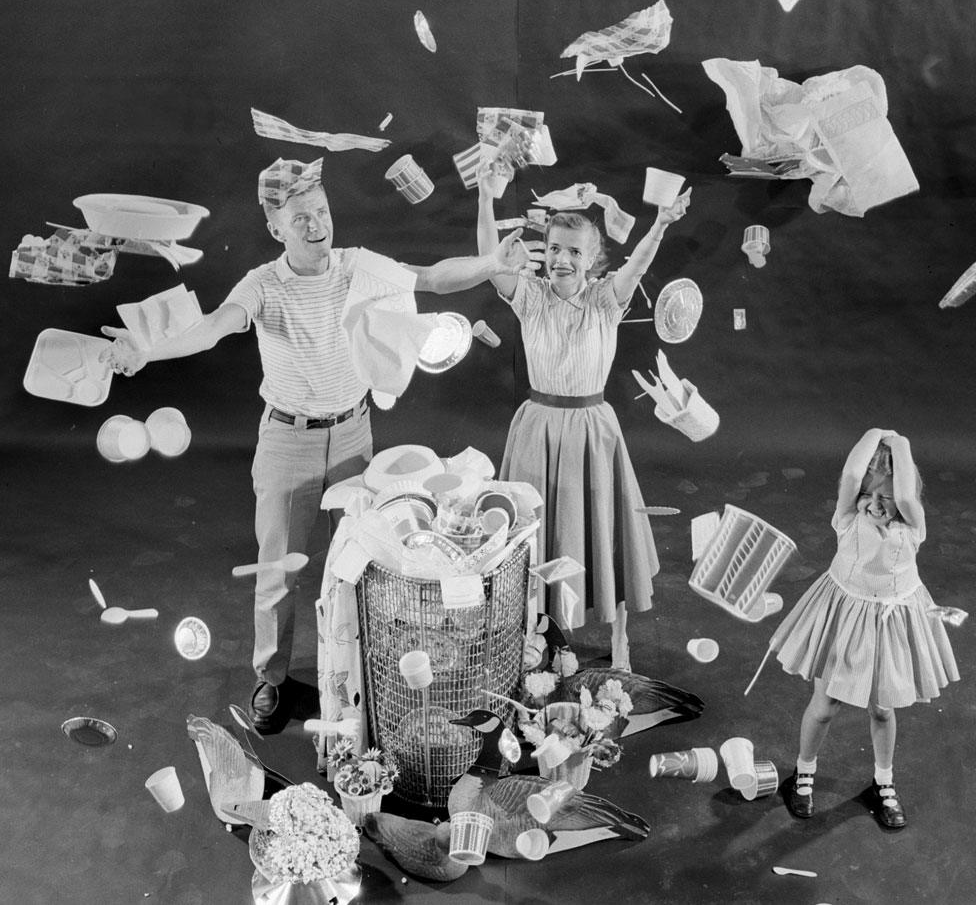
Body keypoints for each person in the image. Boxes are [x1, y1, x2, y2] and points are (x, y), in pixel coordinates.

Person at [102, 157, 535, 733]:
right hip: (288, 441)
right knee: (278, 571)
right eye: (299, 216)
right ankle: (272, 679)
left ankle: (354, 675)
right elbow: (212, 326)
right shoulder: (262, 283)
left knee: (359, 562)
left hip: (355, 434)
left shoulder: (358, 267)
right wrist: (145, 352)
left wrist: (490, 264)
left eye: (322, 211)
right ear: (275, 228)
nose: (316, 225)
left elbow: (429, 278)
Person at [476, 176, 690, 668]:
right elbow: (490, 260)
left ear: (592, 259)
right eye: (553, 248)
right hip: (537, 428)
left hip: (592, 430)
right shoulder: (529, 295)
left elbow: (636, 266)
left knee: (603, 530)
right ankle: (541, 636)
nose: (561, 259)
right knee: (537, 535)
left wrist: (659, 224)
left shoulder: (603, 300)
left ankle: (619, 639)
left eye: (574, 251)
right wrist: (486, 197)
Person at [773, 428, 959, 829]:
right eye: (868, 495)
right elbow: (851, 477)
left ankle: (883, 784)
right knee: (824, 708)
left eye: (886, 497)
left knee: (882, 708)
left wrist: (901, 444)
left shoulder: (912, 528)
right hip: (843, 617)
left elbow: (908, 496)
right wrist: (876, 435)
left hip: (891, 622)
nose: (874, 503)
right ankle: (803, 773)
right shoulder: (846, 518)